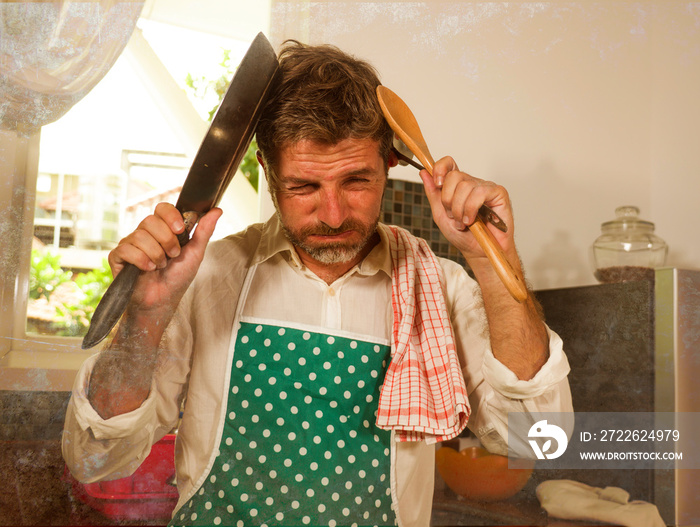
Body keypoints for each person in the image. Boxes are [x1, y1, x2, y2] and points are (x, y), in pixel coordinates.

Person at [62, 41, 572, 527]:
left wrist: (492, 260)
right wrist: (145, 317)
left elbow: (539, 440)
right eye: (304, 186)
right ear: (266, 169)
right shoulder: (208, 278)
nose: (332, 215)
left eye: (356, 181)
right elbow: (96, 459)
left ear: (391, 163)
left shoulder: (438, 288)